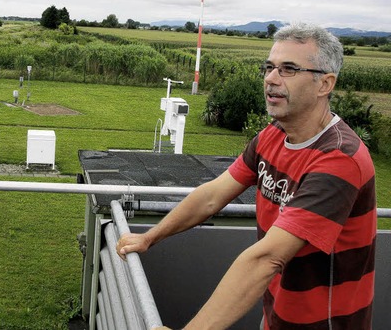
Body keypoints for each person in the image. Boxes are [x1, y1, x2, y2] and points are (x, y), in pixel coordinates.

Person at [117, 22, 377, 330]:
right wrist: (149, 237)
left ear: (325, 84)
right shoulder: (273, 136)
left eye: (288, 69)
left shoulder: (339, 159)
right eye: (269, 67)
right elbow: (213, 195)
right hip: (276, 316)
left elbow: (266, 259)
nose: (270, 78)